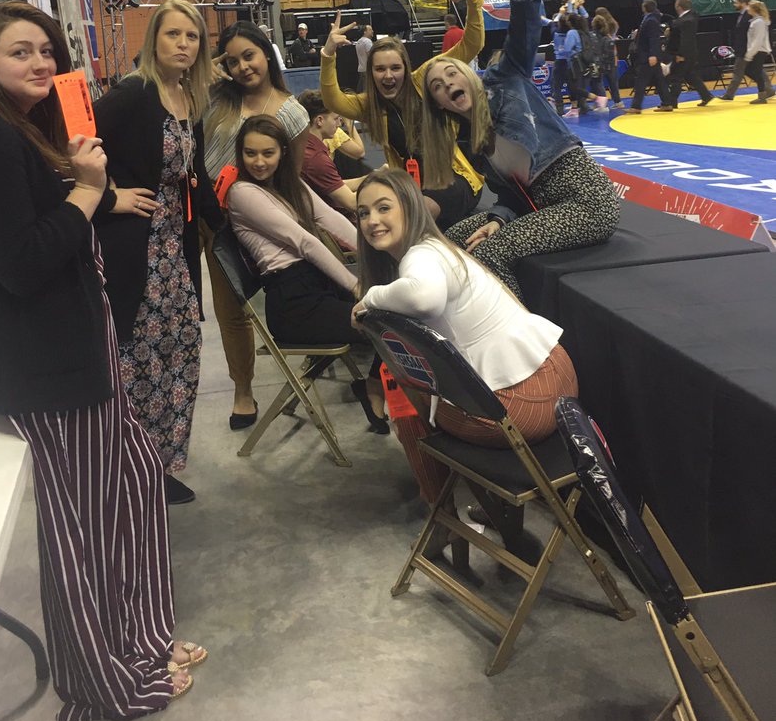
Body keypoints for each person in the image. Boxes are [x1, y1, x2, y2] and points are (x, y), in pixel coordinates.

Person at [0, 1, 204, 721]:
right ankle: (101, 684)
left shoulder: (18, 125)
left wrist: (82, 185)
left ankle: (141, 643)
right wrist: (89, 191)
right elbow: (19, 263)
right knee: (84, 530)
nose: (40, 63)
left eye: (46, 50)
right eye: (21, 52)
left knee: (138, 485)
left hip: (83, 352)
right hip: (44, 369)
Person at [418, 0, 620, 299]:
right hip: (539, 208)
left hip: (586, 200)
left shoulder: (506, 77)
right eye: (438, 86)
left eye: (452, 72)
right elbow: (511, 198)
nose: (447, 83)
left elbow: (525, 24)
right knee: (452, 240)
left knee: (492, 253)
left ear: (470, 74)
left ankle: (525, 342)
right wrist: (497, 218)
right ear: (440, 104)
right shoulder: (469, 140)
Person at [351, 170, 576, 505]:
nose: (372, 221)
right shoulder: (438, 249)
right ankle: (489, 510)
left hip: (524, 404)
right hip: (555, 380)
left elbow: (423, 298)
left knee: (407, 392)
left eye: (384, 208)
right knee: (423, 382)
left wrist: (370, 298)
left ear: (410, 209)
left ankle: (441, 511)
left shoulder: (421, 255)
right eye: (364, 213)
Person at [94, 0, 220, 505]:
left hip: (176, 250)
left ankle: (159, 466)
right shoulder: (134, 93)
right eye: (173, 35)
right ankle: (128, 471)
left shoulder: (189, 97)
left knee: (181, 351)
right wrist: (110, 197)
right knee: (139, 364)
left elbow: (196, 175)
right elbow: (72, 144)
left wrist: (228, 227)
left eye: (192, 37)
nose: (183, 45)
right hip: (136, 252)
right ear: (153, 41)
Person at [228, 116, 388, 432]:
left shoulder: (289, 183)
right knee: (391, 322)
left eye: (268, 153)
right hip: (293, 303)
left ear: (283, 153)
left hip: (317, 284)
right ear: (240, 154)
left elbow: (331, 219)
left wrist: (382, 254)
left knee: (403, 305)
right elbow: (305, 243)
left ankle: (375, 388)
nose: (259, 162)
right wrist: (358, 286)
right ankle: (374, 390)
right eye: (251, 153)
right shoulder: (242, 192)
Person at [202, 22, 309, 428]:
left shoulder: (291, 111)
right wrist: (207, 68)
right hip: (195, 206)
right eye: (232, 60)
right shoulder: (215, 96)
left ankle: (242, 390)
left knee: (231, 309)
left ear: (267, 53)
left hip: (240, 218)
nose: (243, 66)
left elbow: (290, 179)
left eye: (249, 55)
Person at [319, 0, 486, 231]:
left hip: (454, 181)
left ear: (405, 67)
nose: (388, 76)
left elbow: (471, 45)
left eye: (395, 68)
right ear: (372, 73)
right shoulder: (370, 106)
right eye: (380, 69)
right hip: (413, 187)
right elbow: (333, 100)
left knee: (416, 215)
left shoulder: (425, 80)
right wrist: (327, 54)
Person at [298, 90, 368, 216]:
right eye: (336, 118)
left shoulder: (304, 145)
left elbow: (334, 185)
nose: (339, 123)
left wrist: (369, 178)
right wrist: (384, 187)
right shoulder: (316, 159)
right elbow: (352, 203)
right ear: (319, 120)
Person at [665, 0, 713, 108]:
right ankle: (706, 96)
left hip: (684, 53)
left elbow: (685, 40)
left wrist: (680, 55)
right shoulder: (691, 16)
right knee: (691, 75)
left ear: (679, 7)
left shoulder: (685, 21)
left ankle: (671, 103)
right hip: (691, 52)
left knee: (675, 77)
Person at [627, 0, 672, 113]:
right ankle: (667, 103)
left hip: (648, 56)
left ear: (644, 8)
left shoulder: (650, 20)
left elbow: (653, 39)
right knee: (659, 80)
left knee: (641, 81)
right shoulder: (653, 16)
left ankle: (636, 106)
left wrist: (652, 55)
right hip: (650, 55)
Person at [720, 0, 752, 100]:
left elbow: (748, 34)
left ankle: (729, 94)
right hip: (743, 48)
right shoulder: (743, 15)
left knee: (737, 72)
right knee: (755, 70)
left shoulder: (749, 15)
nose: (734, 4)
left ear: (743, 3)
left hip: (745, 49)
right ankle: (768, 89)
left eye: (736, 2)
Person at [744, 1, 774, 103]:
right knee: (755, 71)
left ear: (754, 10)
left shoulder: (759, 22)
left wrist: (749, 54)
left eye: (749, 7)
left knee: (756, 72)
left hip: (759, 50)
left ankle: (762, 95)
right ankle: (765, 91)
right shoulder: (756, 21)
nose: (747, 9)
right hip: (758, 50)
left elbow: (757, 40)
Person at [355, 23, 374, 92]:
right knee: (367, 90)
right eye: (370, 29)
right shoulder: (367, 42)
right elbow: (371, 55)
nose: (372, 31)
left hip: (361, 68)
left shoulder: (359, 41)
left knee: (361, 89)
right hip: (367, 69)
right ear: (364, 31)